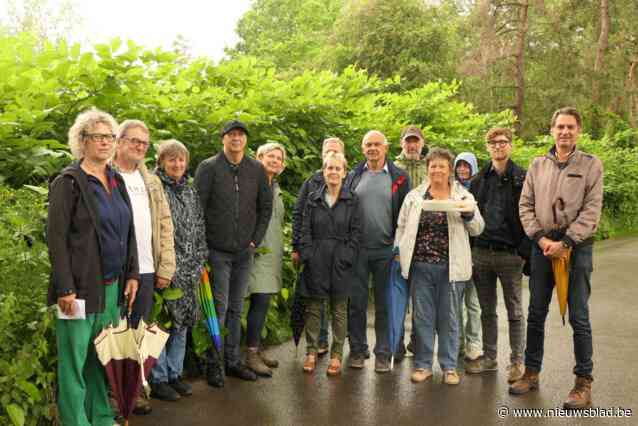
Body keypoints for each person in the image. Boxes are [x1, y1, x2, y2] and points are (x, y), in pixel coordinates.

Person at [48, 108, 139, 426]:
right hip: (78, 290)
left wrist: (132, 274)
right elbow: (56, 239)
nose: (104, 142)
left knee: (101, 359)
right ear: (82, 141)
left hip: (112, 288)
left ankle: (100, 417)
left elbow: (128, 231)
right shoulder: (68, 182)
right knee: (73, 363)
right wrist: (65, 288)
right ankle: (75, 421)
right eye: (97, 137)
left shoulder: (117, 181)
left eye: (109, 137)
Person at [510, 107, 603, 410]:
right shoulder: (538, 165)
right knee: (536, 312)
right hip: (542, 247)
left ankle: (583, 383)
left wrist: (565, 242)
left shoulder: (591, 165)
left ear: (578, 131)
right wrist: (541, 239)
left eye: (570, 127)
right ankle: (531, 372)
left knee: (578, 315)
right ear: (551, 130)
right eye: (560, 127)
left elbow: (591, 210)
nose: (565, 132)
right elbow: (525, 205)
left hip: (577, 249)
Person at [394, 148, 484, 385]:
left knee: (450, 318)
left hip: (451, 268)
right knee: (422, 318)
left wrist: (468, 214)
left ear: (449, 170)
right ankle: (423, 366)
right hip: (420, 266)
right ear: (427, 168)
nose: (437, 170)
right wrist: (399, 252)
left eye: (442, 166)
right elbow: (401, 227)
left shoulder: (462, 196)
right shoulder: (414, 196)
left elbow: (478, 228)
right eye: (433, 166)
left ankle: (449, 367)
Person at [194, 120, 273, 384]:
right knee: (218, 306)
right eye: (231, 135)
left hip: (244, 252)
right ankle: (213, 363)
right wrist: (202, 247)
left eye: (241, 135)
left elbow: (265, 208)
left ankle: (232, 360)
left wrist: (255, 240)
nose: (236, 139)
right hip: (216, 252)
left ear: (246, 141)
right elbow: (198, 210)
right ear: (223, 139)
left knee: (237, 308)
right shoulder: (208, 168)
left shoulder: (257, 169)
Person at [112, 120, 176, 411]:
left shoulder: (150, 181)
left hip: (148, 268)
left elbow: (164, 223)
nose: (139, 147)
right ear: (119, 140)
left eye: (144, 143)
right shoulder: (107, 175)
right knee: (114, 331)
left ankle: (134, 389)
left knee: (139, 330)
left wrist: (166, 265)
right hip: (116, 269)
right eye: (133, 141)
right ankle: (111, 392)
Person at [465, 128, 529, 384]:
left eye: (503, 142)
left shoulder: (522, 178)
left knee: (514, 310)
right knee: (487, 310)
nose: (498, 146)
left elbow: (529, 214)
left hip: (510, 255)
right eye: (493, 143)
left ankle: (517, 361)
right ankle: (490, 357)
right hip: (482, 252)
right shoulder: (478, 179)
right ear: (487, 147)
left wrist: (524, 250)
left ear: (510, 146)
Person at [345, 130, 411, 372]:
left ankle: (383, 352)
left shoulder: (399, 178)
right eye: (368, 145)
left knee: (385, 305)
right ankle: (357, 349)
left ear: (386, 148)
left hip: (387, 251)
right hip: (358, 251)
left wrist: (399, 247)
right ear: (363, 149)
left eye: (376, 144)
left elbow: (406, 217)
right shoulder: (353, 176)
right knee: (357, 303)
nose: (372, 148)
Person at [150, 140, 208, 401]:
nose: (177, 164)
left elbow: (198, 225)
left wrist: (200, 258)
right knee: (160, 323)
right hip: (164, 267)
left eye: (181, 159)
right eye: (171, 159)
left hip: (190, 267)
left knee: (183, 323)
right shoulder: (154, 187)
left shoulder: (190, 190)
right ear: (161, 161)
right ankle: (158, 377)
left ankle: (175, 373)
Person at [299, 152, 361, 376]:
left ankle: (336, 354)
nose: (333, 172)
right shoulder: (313, 199)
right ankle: (311, 352)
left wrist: (347, 256)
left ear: (344, 172)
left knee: (339, 309)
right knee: (315, 308)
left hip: (341, 261)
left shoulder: (352, 200)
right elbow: (304, 230)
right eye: (329, 168)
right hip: (317, 258)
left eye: (337, 168)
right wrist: (308, 254)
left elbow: (357, 233)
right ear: (323, 172)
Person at [292, 137, 346, 355]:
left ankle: (337, 349)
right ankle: (318, 343)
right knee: (316, 301)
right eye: (327, 152)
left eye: (335, 151)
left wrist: (348, 254)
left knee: (338, 303)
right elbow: (300, 215)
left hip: (341, 256)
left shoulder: (349, 182)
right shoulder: (311, 182)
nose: (330, 154)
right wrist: (300, 248)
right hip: (315, 252)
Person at [245, 143, 287, 377]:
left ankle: (255, 349)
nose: (275, 161)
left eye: (279, 158)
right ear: (259, 157)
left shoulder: (275, 187)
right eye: (270, 156)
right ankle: (249, 354)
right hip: (255, 253)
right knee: (257, 301)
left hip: (272, 253)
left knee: (262, 303)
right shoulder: (252, 184)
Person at [394, 125, 428, 359]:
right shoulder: (394, 169)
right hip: (399, 236)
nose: (412, 145)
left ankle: (418, 342)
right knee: (398, 294)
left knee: (421, 296)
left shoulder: (430, 167)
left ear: (422, 143)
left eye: (415, 141)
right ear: (401, 144)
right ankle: (396, 342)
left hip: (426, 240)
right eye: (408, 141)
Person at [453, 151, 483, 362]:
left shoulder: (480, 187)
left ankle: (474, 342)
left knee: (473, 303)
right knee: (455, 304)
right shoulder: (452, 190)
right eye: (459, 166)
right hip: (456, 254)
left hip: (477, 252)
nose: (463, 170)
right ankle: (458, 342)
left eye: (467, 166)